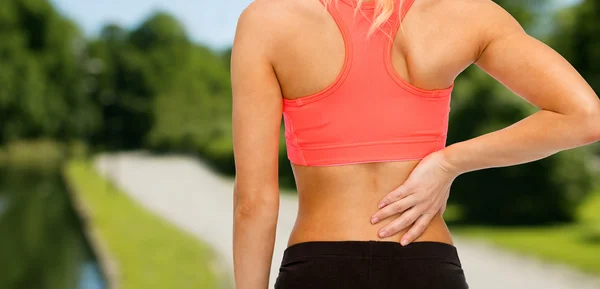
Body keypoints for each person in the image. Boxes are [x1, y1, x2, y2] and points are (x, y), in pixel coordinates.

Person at [230, 0, 600, 288]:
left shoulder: (268, 20)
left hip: (318, 269)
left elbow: (254, 202)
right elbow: (586, 116)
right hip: (425, 266)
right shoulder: (462, 13)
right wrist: (449, 163)